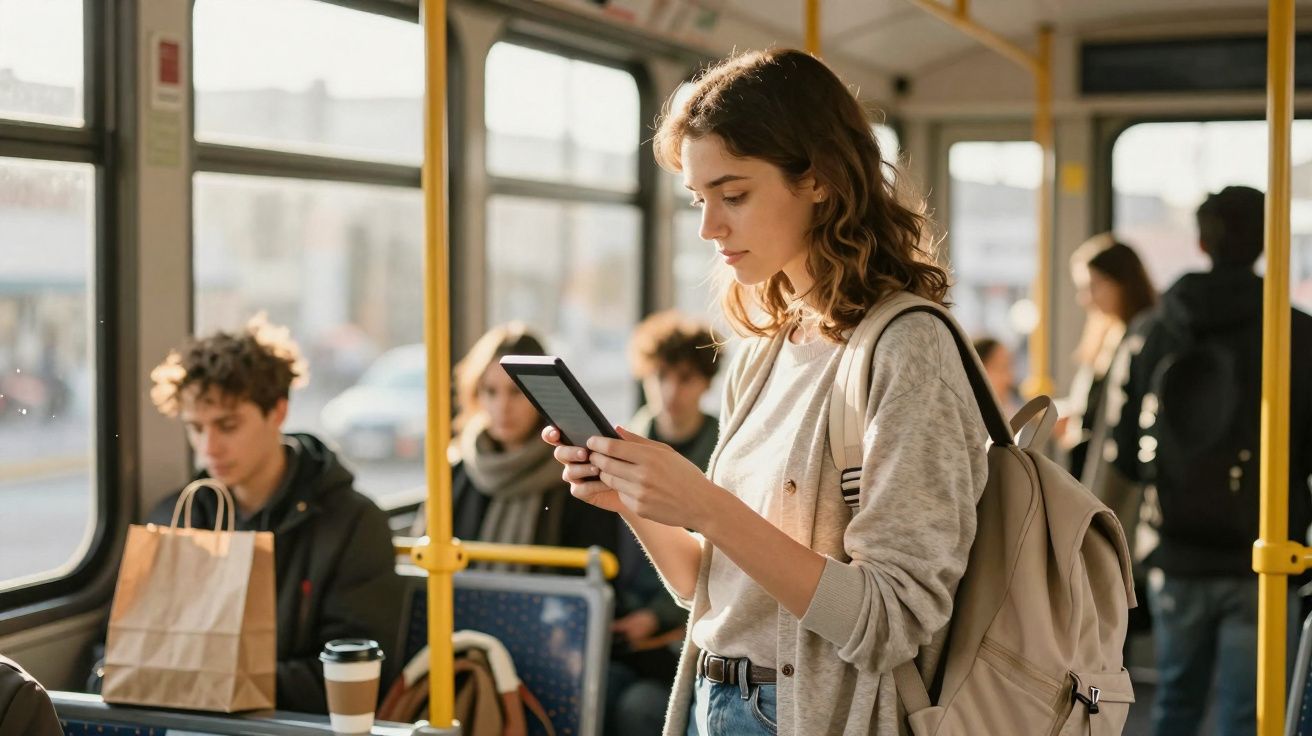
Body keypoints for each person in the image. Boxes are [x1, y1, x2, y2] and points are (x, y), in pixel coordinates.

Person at [547, 49, 989, 736]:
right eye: (698, 199)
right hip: (715, 699)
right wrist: (634, 500)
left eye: (734, 195)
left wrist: (707, 505)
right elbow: (713, 589)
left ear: (817, 178)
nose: (709, 227)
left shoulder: (907, 350)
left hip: (804, 714)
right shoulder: (766, 349)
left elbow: (893, 621)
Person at [1105, 186, 1312, 736]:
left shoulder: (1153, 331)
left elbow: (1124, 450)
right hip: (1266, 552)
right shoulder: (1297, 332)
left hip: (1176, 546)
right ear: (1267, 242)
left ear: (1201, 242)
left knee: (1175, 702)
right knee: (1251, 715)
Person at [147, 315, 403, 714]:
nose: (208, 448)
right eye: (195, 428)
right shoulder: (179, 516)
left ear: (278, 412)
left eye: (227, 425)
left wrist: (212, 683)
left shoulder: (353, 524)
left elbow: (355, 673)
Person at [607, 311, 721, 736]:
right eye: (661, 376)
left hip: (682, 630)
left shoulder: (723, 453)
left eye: (685, 378)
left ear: (706, 383)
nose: (670, 391)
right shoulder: (620, 445)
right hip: (618, 623)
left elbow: (719, 557)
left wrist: (654, 617)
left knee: (639, 708)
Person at [423, 323, 620, 559]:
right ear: (476, 393)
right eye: (491, 391)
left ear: (540, 395)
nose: (502, 407)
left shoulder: (578, 475)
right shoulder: (456, 472)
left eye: (516, 392)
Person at [1058, 234, 1156, 482]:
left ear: (1123, 283)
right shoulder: (1106, 333)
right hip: (1091, 466)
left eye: (1093, 286)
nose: (1085, 299)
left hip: (1118, 472)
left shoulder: (1143, 338)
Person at [971, 336, 1017, 416]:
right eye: (1002, 368)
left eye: (1009, 368)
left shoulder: (1009, 412)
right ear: (978, 371)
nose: (1009, 380)